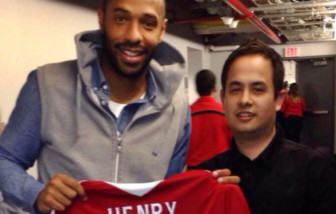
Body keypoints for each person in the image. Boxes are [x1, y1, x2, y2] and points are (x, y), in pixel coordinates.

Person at [0, 0, 238, 213]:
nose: (133, 35)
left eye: (147, 23)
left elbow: (167, 195)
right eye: (121, 18)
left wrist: (208, 186)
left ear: (161, 30)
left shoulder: (177, 108)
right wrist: (35, 193)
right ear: (102, 19)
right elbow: (5, 159)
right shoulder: (47, 85)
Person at [190, 39, 336, 214]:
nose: (245, 100)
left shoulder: (316, 172)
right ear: (223, 98)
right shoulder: (206, 176)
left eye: (258, 89)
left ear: (279, 99)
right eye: (236, 89)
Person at [186, 69, 231, 166]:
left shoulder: (187, 115)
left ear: (197, 88)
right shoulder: (225, 112)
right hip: (220, 171)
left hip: (194, 172)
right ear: (215, 87)